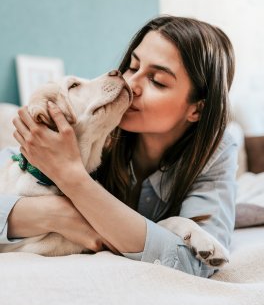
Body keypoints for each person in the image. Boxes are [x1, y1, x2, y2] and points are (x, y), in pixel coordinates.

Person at [0, 16, 237, 277]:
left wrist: (73, 179)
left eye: (156, 80)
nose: (131, 84)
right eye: (132, 67)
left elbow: (195, 264)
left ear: (197, 109)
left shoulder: (216, 151)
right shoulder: (94, 125)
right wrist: (56, 213)